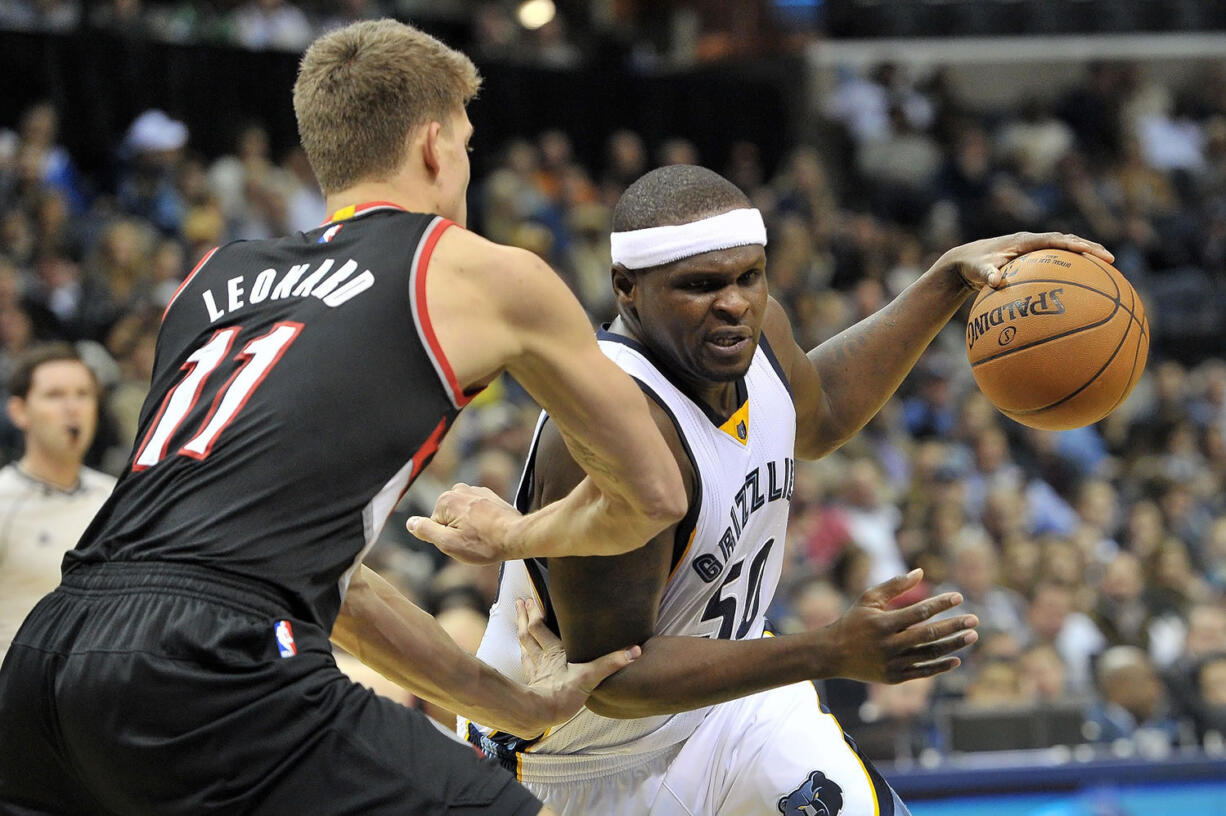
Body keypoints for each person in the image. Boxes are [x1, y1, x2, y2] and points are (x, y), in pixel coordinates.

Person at [0, 19, 690, 816]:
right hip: (214, 663)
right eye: (467, 146)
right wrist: (516, 536)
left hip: (49, 657)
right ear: (434, 146)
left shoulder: (211, 281)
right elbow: (654, 495)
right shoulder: (477, 270)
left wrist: (512, 706)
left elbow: (335, 593)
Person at [467, 164, 1117, 815]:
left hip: (737, 706)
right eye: (700, 285)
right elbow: (613, 676)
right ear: (627, 288)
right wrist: (829, 649)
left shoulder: (757, 332)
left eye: (749, 276)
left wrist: (946, 279)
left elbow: (822, 411)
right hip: (577, 760)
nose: (735, 303)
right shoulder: (606, 428)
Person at [0, 343, 115, 659]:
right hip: (17, 702)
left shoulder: (117, 499)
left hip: (95, 698)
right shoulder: (4, 502)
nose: (72, 407)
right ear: (19, 412)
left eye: (83, 394)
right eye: (55, 395)